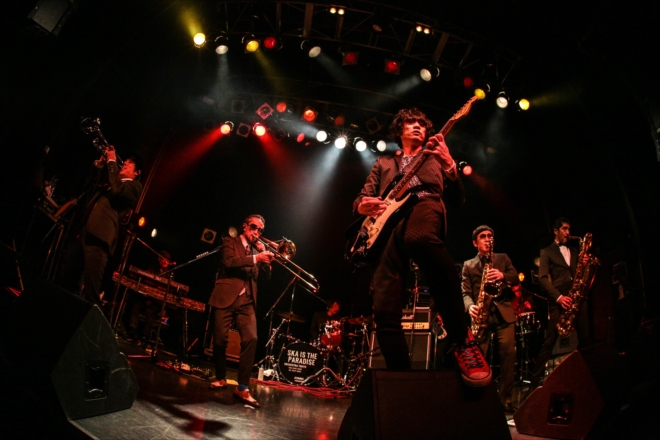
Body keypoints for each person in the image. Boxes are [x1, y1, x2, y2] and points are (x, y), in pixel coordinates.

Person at [353, 107, 490, 387]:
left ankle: (462, 340)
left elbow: (457, 200)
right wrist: (361, 206)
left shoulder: (435, 158)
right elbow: (363, 196)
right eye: (410, 122)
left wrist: (450, 165)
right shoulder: (384, 162)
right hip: (385, 223)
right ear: (399, 130)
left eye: (422, 124)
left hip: (425, 205)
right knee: (384, 307)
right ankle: (401, 379)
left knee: (419, 238)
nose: (417, 126)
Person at [58, 146, 143, 309]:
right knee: (66, 279)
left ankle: (91, 323)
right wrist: (99, 166)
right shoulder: (112, 181)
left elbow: (118, 191)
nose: (125, 163)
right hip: (86, 233)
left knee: (91, 291)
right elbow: (88, 187)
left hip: (100, 238)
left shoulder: (134, 187)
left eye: (130, 163)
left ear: (137, 172)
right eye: (125, 160)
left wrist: (111, 161)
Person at [207, 215, 274, 408]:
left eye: (260, 230)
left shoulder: (257, 250)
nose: (257, 232)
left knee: (251, 338)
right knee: (219, 340)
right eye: (254, 227)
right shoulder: (229, 242)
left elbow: (263, 278)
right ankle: (221, 377)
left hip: (247, 300)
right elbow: (229, 262)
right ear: (245, 226)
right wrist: (256, 258)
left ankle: (242, 387)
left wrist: (266, 261)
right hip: (226, 296)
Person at [529, 217, 591, 391]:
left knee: (585, 338)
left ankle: (586, 378)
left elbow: (577, 274)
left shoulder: (574, 250)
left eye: (569, 229)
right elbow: (542, 278)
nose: (568, 232)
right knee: (550, 342)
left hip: (576, 297)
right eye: (564, 229)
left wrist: (584, 264)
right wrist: (558, 298)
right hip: (560, 299)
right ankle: (533, 385)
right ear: (556, 231)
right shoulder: (546, 251)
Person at [462, 225, 519, 411]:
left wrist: (502, 275)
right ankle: (480, 401)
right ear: (475, 243)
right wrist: (470, 306)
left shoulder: (502, 258)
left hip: (503, 314)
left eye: (490, 236)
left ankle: (506, 400)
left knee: (508, 357)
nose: (487, 239)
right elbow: (465, 292)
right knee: (479, 361)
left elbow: (515, 277)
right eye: (483, 236)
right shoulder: (468, 265)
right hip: (481, 316)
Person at [126, 250, 172, 343]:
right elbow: (145, 281)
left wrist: (153, 300)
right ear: (159, 259)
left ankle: (145, 336)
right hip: (145, 298)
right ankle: (132, 330)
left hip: (156, 303)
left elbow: (167, 291)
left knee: (149, 312)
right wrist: (147, 298)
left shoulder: (169, 274)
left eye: (168, 260)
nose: (166, 262)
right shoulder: (151, 268)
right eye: (164, 259)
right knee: (136, 306)